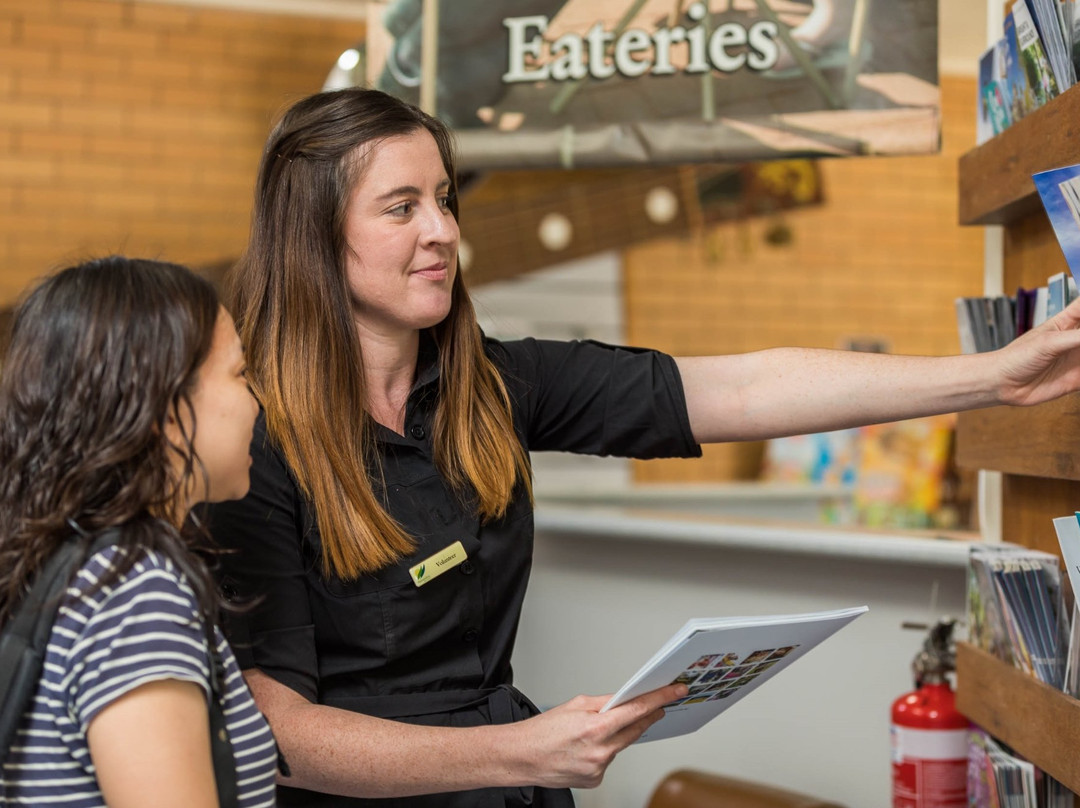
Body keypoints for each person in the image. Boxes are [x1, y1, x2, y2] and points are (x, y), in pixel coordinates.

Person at [207, 87, 1080, 808]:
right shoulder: (253, 447)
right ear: (317, 237)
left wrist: (991, 378)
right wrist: (520, 752)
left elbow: (740, 389)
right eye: (402, 208)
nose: (441, 232)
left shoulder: (493, 386)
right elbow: (276, 731)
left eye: (444, 200)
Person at [0, 257, 276, 808]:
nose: (259, 401)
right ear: (166, 412)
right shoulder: (135, 592)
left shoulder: (74, 565)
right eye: (241, 374)